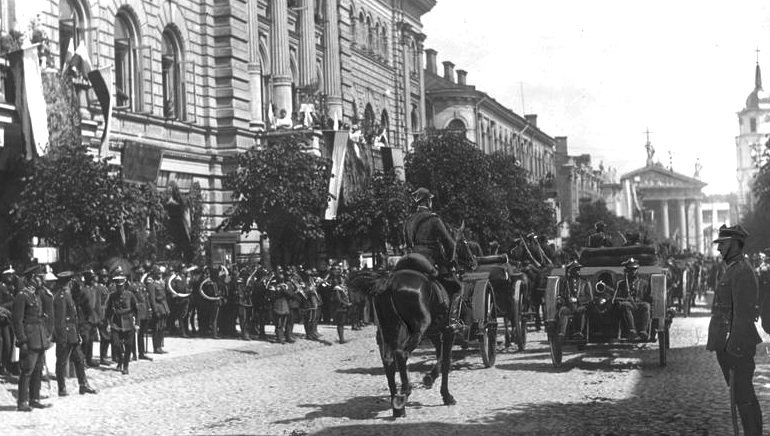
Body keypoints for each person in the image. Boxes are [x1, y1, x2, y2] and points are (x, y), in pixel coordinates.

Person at [708, 225, 764, 435]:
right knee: (741, 395)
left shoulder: (742, 271)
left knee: (744, 396)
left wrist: (734, 346)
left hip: (736, 345)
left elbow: (743, 313)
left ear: (733, 243)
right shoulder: (733, 268)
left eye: (722, 243)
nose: (719, 248)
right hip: (727, 343)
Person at [403, 187, 462, 330]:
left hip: (410, 259)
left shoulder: (408, 221)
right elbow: (450, 244)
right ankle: (453, 321)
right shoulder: (434, 219)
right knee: (457, 288)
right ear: (428, 201)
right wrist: (450, 260)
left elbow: (406, 242)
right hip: (430, 259)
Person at [12, 264, 52, 411]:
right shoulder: (22, 296)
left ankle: (34, 398)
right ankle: (22, 402)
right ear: (32, 279)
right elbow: (17, 320)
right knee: (27, 370)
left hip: (39, 337)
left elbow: (39, 316)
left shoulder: (36, 295)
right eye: (39, 277)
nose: (41, 280)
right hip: (29, 339)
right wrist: (22, 340)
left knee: (38, 370)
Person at [52, 271, 97, 396]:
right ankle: (62, 388)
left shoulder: (68, 295)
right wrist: (61, 337)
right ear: (68, 282)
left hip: (73, 333)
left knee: (79, 358)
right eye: (71, 281)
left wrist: (76, 333)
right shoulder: (61, 297)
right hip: (65, 334)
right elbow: (60, 320)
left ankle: (83, 385)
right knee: (61, 361)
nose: (72, 283)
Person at [104, 268, 138, 375]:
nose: (119, 288)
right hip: (116, 323)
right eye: (117, 286)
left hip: (128, 323)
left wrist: (137, 324)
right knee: (116, 344)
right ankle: (120, 360)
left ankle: (126, 365)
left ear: (124, 285)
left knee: (128, 345)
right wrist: (108, 324)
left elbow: (137, 310)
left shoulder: (130, 295)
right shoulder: (112, 296)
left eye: (121, 286)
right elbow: (108, 311)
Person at [613, 258, 651, 341]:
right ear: (627, 270)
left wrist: (650, 299)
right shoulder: (621, 284)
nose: (632, 271)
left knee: (646, 305)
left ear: (637, 270)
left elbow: (647, 297)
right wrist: (622, 300)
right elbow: (616, 298)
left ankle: (643, 331)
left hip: (639, 304)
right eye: (630, 269)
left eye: (634, 269)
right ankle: (632, 331)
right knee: (625, 305)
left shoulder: (643, 283)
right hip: (628, 305)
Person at [556, 261, 592, 339]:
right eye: (576, 269)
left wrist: (577, 299)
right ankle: (562, 333)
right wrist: (561, 300)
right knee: (563, 311)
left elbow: (589, 297)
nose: (578, 271)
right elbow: (561, 295)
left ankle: (579, 332)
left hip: (580, 306)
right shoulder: (565, 283)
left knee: (581, 311)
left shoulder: (584, 282)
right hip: (568, 306)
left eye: (579, 269)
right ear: (571, 271)